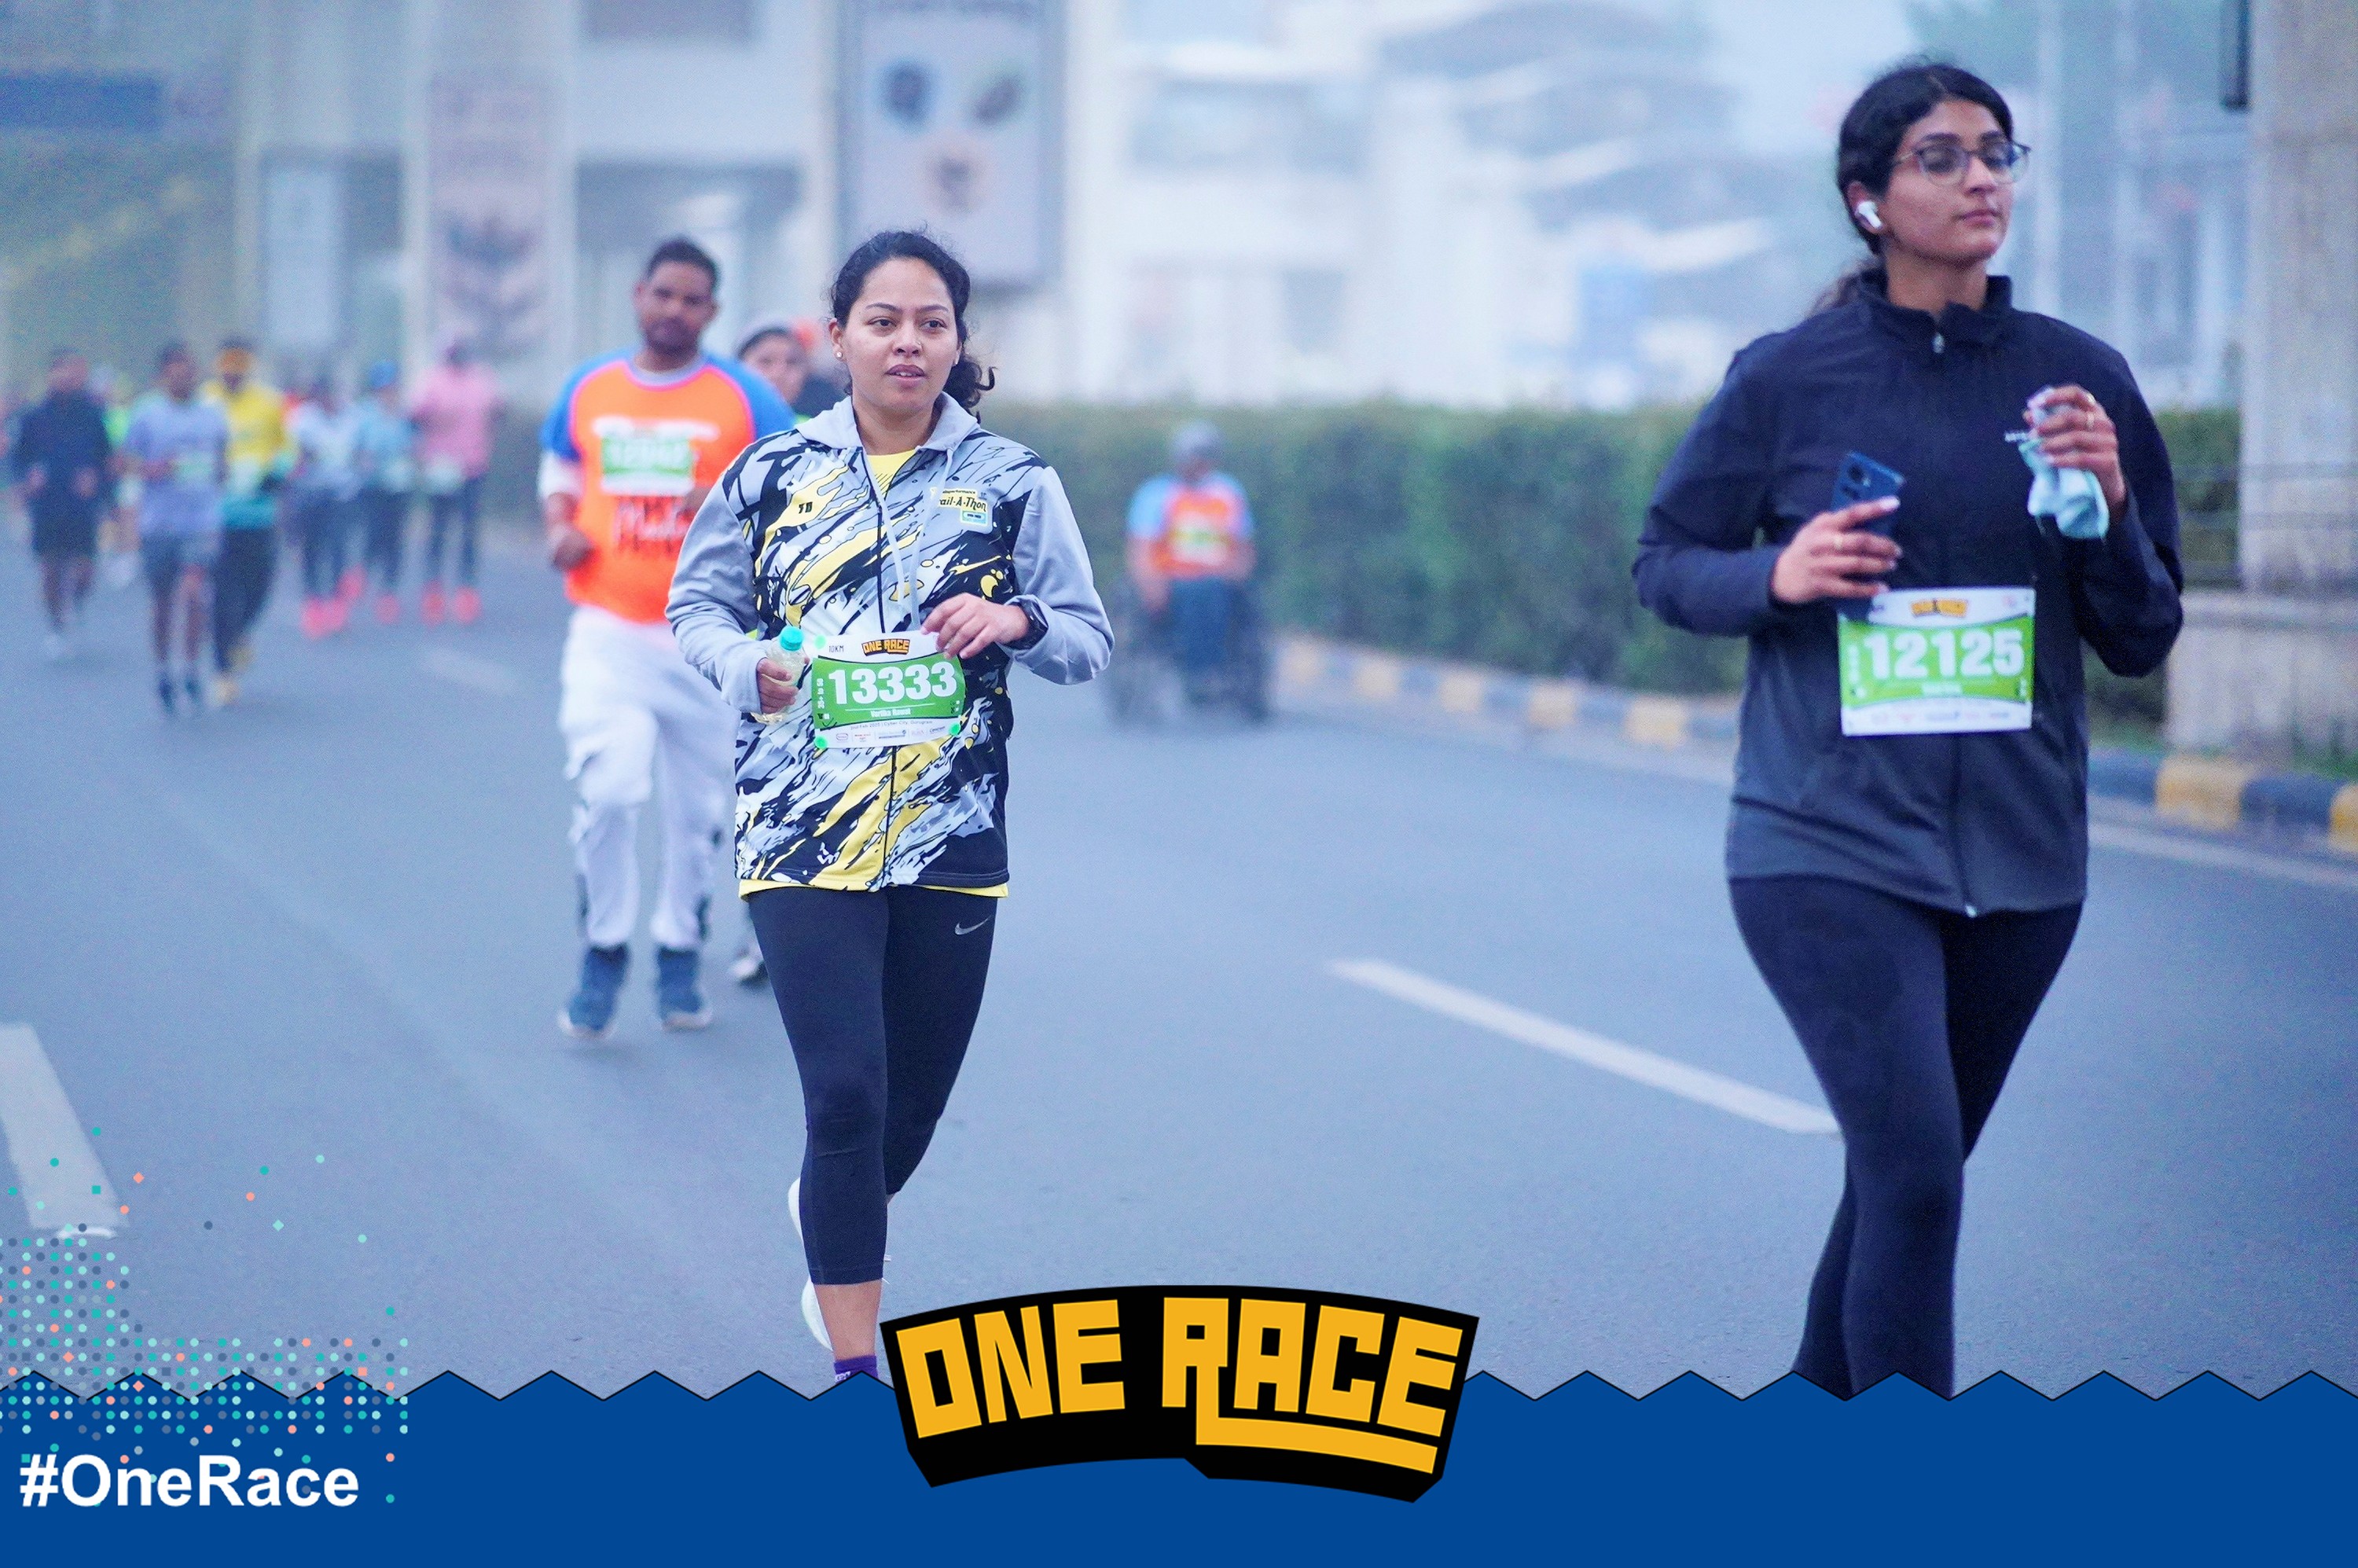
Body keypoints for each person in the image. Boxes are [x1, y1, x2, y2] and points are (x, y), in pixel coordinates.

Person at [1632, 62, 2182, 1398]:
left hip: (2023, 855)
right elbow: (1665, 562)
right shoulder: (1788, 380)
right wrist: (1777, 574)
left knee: (1904, 1181)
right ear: (1867, 199)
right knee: (1918, 1175)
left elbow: (2141, 633)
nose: (1981, 177)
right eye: (1942, 156)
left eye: (1997, 152)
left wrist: (2110, 507)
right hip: (1824, 837)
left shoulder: (2079, 381)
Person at [670, 230, 1111, 1383]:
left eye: (930, 323)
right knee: (846, 1095)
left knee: (903, 1114)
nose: (906, 342)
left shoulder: (1014, 481)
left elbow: (1087, 638)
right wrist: (746, 666)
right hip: (798, 827)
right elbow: (697, 608)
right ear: (838, 337)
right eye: (882, 321)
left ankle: (829, 1207)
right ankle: (855, 1365)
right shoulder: (769, 475)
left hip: (950, 838)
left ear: (958, 341)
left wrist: (1016, 621)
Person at [542, 236, 794, 1037]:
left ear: (711, 311)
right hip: (609, 629)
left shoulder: (746, 397)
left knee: (698, 815)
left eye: (692, 300)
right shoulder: (590, 387)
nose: (675, 310)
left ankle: (679, 950)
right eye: (664, 294)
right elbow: (562, 467)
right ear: (639, 294)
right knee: (610, 791)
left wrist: (726, 495)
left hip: (710, 640)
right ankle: (604, 948)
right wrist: (558, 525)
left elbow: (800, 484)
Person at [120, 343, 230, 714]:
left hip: (201, 520)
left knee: (195, 593)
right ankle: (163, 669)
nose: (184, 377)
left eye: (190, 370)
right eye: (176, 371)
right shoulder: (147, 415)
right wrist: (152, 469)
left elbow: (221, 462)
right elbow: (123, 462)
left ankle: (191, 667)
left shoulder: (213, 415)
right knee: (163, 602)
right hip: (159, 523)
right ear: (163, 376)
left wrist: (218, 474)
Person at [1126, 420, 1256, 703]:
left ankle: (1212, 667)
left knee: (1229, 599)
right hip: (1172, 580)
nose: (1199, 464)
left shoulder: (1229, 493)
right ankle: (1198, 670)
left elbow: (1243, 546)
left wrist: (1239, 573)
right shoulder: (1156, 494)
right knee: (1196, 595)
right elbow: (1142, 548)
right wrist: (1150, 586)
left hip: (1220, 579)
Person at [203, 341, 292, 703]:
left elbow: (288, 448)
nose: (233, 376)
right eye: (228, 369)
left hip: (258, 515)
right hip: (216, 518)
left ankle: (239, 633)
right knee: (223, 595)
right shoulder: (205, 403)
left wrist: (277, 473)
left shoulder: (270, 403)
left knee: (259, 588)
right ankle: (222, 672)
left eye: (239, 370)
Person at [11, 348, 113, 659]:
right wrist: (27, 479)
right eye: (60, 371)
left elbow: (107, 459)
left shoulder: (92, 416)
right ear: (50, 375)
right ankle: (56, 624)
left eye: (71, 371)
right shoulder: (33, 417)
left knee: (84, 570)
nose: (65, 377)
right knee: (50, 569)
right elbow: (18, 459)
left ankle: (77, 603)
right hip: (47, 504)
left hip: (82, 505)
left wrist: (98, 483)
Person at [410, 336, 501, 626]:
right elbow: (415, 415)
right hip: (441, 465)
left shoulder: (481, 379)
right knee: (438, 529)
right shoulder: (433, 380)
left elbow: (497, 410)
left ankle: (466, 589)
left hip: (472, 465)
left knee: (469, 531)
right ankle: (433, 587)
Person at [288, 375, 365, 637]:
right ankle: (313, 602)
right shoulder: (303, 419)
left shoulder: (353, 417)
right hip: (311, 494)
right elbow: (296, 455)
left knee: (338, 548)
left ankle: (337, 602)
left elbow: (360, 452)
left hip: (342, 493)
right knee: (312, 550)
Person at [354, 360, 417, 622]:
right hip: (373, 486)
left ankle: (388, 591)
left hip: (399, 486)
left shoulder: (405, 416)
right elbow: (358, 447)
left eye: (392, 388)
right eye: (383, 389)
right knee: (374, 534)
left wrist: (411, 459)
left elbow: (413, 445)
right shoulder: (365, 414)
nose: (388, 394)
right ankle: (363, 574)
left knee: (395, 540)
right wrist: (366, 459)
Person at [736, 318, 846, 420]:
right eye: (766, 361)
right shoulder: (728, 423)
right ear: (738, 365)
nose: (779, 373)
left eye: (791, 362)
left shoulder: (822, 426)